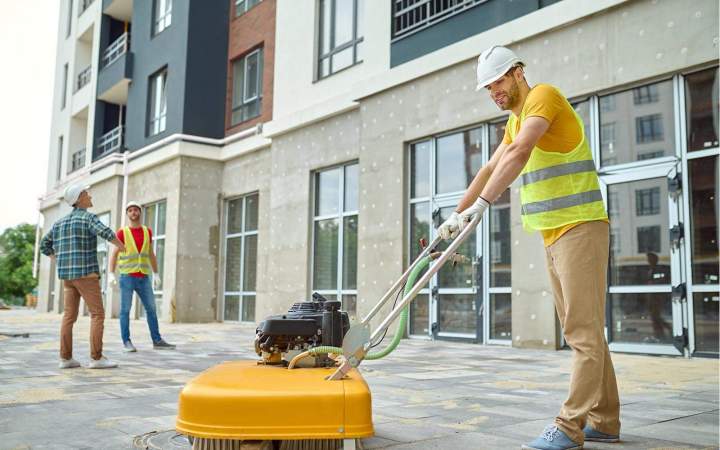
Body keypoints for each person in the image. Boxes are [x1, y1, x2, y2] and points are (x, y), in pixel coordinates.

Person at [438, 46, 620, 450]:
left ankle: (569, 426)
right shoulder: (515, 120)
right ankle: (605, 420)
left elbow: (520, 152)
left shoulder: (543, 97)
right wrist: (456, 215)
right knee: (585, 329)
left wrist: (483, 205)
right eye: (488, 88)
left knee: (581, 331)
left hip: (580, 226)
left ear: (518, 72)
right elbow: (490, 167)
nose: (494, 92)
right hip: (553, 232)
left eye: (498, 82)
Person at [40, 184, 126, 369]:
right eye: (87, 194)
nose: (90, 196)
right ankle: (96, 358)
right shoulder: (88, 218)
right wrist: (121, 246)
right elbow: (105, 232)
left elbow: (44, 245)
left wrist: (59, 258)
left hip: (68, 278)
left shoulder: (59, 223)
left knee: (69, 316)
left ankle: (65, 358)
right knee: (98, 314)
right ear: (79, 198)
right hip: (86, 275)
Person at [108, 201, 175, 352]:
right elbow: (114, 254)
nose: (133, 212)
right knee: (125, 310)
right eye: (130, 210)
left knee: (151, 309)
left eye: (136, 210)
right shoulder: (122, 233)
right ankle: (126, 342)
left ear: (140, 212)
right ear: (127, 214)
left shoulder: (147, 232)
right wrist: (111, 274)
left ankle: (157, 340)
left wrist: (156, 273)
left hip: (144, 277)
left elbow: (150, 253)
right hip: (127, 277)